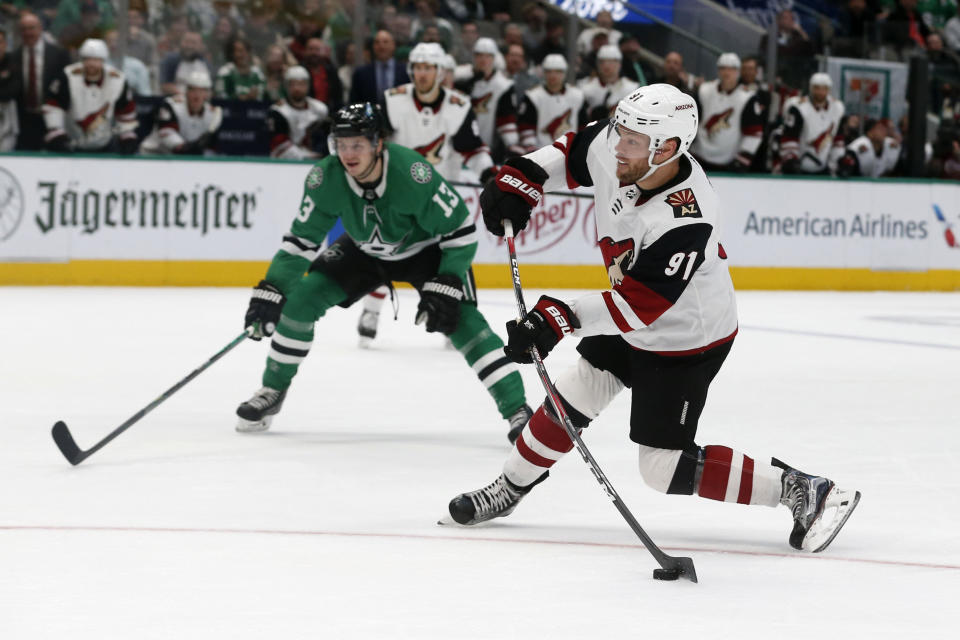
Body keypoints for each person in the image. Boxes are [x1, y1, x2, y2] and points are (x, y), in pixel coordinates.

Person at [446, 82, 861, 556]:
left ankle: (804, 490)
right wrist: (522, 178)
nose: (617, 146)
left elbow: (642, 305)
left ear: (668, 148)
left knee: (661, 468)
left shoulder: (687, 216)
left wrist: (559, 318)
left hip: (686, 339)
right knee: (577, 389)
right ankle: (510, 487)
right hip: (634, 314)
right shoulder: (624, 145)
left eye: (631, 141)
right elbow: (572, 149)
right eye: (620, 131)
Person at [236, 102, 533, 444]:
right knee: (298, 303)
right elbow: (301, 242)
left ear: (378, 144)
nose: (348, 153)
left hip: (426, 252)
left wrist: (449, 279)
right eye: (341, 144)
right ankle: (271, 391)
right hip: (363, 251)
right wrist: (273, 287)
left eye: (358, 144)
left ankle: (517, 409)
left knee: (463, 321)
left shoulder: (412, 173)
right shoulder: (325, 178)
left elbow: (461, 233)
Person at [361, 43, 497, 345]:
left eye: (428, 68)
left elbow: (472, 149)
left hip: (440, 199)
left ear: (439, 72)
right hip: (395, 195)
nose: (422, 74)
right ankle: (370, 310)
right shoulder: (393, 100)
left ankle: (454, 317)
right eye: (418, 67)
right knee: (386, 252)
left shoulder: (459, 105)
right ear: (411, 70)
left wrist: (488, 174)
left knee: (452, 260)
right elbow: (374, 143)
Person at [42, 38, 138, 153]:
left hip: (105, 144)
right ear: (82, 59)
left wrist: (127, 134)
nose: (91, 63)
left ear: (104, 60)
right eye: (87, 59)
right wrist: (56, 131)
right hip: (71, 143)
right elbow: (53, 106)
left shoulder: (117, 79)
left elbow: (125, 110)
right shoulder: (67, 76)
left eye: (96, 59)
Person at [690, 53, 766, 172]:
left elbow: (754, 134)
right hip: (698, 158)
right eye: (723, 68)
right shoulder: (704, 90)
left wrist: (742, 160)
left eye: (731, 69)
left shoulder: (747, 98)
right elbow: (690, 122)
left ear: (738, 71)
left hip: (728, 164)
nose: (726, 72)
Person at [11, 12, 71, 150]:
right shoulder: (14, 57)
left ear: (40, 28)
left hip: (53, 121)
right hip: (24, 122)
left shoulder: (58, 54)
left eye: (31, 28)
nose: (28, 33)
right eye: (24, 29)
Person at [455, 37, 518, 158]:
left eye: (488, 56)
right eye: (479, 55)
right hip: (459, 146)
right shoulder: (460, 76)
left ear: (494, 58)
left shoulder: (503, 86)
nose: (483, 60)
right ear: (474, 56)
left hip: (488, 150)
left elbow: (506, 119)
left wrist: (512, 144)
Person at [140, 70, 222, 155]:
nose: (197, 95)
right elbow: (168, 135)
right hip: (154, 156)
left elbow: (211, 150)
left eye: (201, 91)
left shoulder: (213, 114)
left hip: (185, 160)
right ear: (186, 91)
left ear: (207, 94)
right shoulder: (171, 106)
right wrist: (187, 147)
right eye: (193, 90)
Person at [778, 72, 846, 174]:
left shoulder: (837, 108)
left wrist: (838, 163)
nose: (820, 92)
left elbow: (838, 140)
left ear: (829, 90)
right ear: (811, 88)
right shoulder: (798, 107)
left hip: (823, 168)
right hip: (798, 167)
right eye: (817, 88)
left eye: (824, 88)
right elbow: (789, 137)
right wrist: (790, 159)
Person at [517, 54, 586, 151]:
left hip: (570, 153)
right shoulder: (533, 96)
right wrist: (531, 150)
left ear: (564, 73)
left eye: (558, 71)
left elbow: (583, 127)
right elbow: (526, 126)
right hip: (539, 152)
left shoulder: (577, 96)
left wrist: (579, 149)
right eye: (549, 71)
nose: (553, 75)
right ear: (544, 73)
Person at [266, 65, 329, 159]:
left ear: (308, 85)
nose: (297, 88)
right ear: (286, 86)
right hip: (283, 163)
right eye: (292, 84)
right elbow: (279, 146)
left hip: (314, 161)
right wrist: (306, 157)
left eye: (301, 84)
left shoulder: (320, 109)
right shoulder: (278, 111)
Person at [578, 44, 639, 121]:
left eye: (611, 62)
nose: (606, 66)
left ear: (619, 64)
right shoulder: (585, 88)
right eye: (602, 62)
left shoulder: (632, 88)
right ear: (597, 64)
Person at [349, 30, 410, 106]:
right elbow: (355, 102)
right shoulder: (361, 74)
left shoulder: (406, 71)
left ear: (393, 45)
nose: (381, 46)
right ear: (373, 47)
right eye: (377, 42)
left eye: (385, 42)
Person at [836, 118, 900, 178]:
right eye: (879, 129)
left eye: (884, 129)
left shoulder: (891, 145)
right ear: (870, 132)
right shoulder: (858, 146)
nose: (883, 131)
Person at [215, 36, 266, 100]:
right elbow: (219, 96)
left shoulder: (257, 73)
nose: (244, 54)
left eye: (246, 50)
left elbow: (264, 95)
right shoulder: (225, 72)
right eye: (239, 51)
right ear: (232, 54)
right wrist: (240, 98)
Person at [0, 29, 19, 152]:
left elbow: (14, 90)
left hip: (8, 120)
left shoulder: (13, 60)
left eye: (0, 42)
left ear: (5, 44)